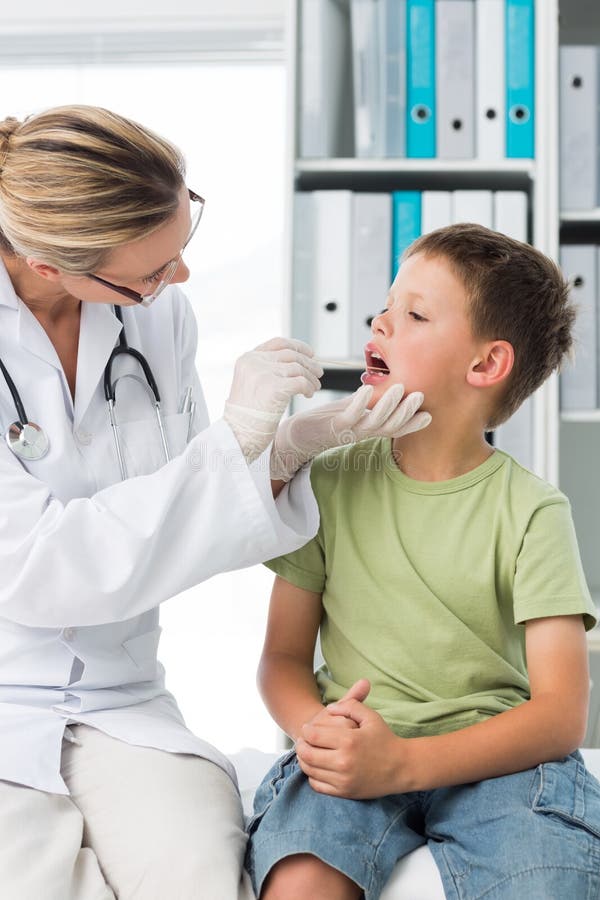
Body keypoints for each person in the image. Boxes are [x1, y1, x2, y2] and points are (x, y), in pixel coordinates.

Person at [0, 104, 429, 900]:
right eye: (150, 271)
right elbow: (41, 568)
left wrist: (289, 447)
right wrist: (233, 443)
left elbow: (188, 520)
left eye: (181, 242)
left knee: (201, 878)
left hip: (121, 700)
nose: (178, 281)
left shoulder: (155, 315)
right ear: (49, 264)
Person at [245, 223, 600, 900]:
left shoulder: (533, 511)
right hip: (354, 750)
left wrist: (405, 764)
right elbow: (282, 660)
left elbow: (560, 716)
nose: (379, 322)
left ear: (486, 365)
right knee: (298, 879)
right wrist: (315, 732)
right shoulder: (328, 482)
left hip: (500, 765)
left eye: (413, 314)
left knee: (547, 879)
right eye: (384, 306)